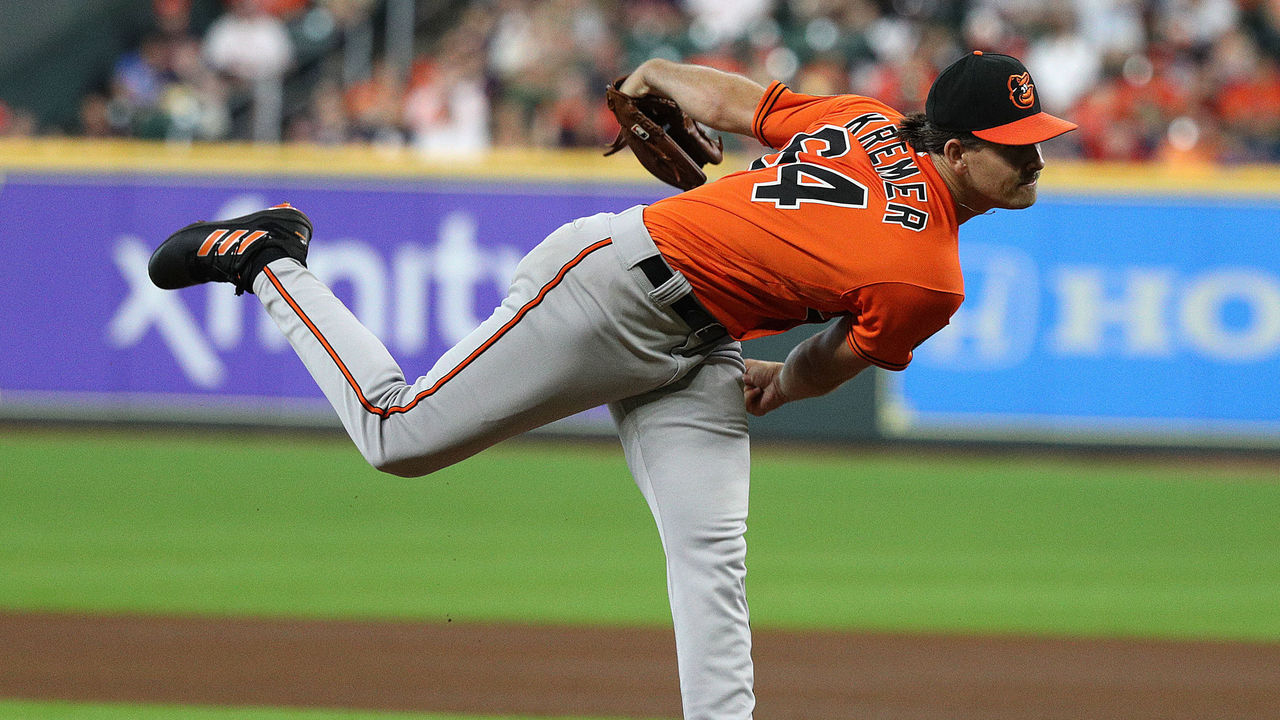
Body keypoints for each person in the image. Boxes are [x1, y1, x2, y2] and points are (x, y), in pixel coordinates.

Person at [148, 50, 1075, 720]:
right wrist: (785, 390)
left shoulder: (863, 122)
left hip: (700, 345)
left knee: (712, 555)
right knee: (398, 436)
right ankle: (271, 259)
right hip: (611, 290)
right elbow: (835, 357)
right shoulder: (929, 276)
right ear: (954, 150)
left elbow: (746, 102)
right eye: (1013, 144)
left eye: (1037, 139)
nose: (1033, 157)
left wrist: (660, 72)